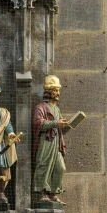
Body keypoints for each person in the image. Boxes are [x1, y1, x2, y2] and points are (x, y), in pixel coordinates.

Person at [32, 73, 69, 203]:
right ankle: (42, 193)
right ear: (48, 92)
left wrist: (65, 125)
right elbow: (38, 123)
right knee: (44, 165)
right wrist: (55, 123)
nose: (57, 93)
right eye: (55, 90)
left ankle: (53, 193)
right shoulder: (40, 107)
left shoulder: (56, 109)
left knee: (60, 168)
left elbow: (58, 124)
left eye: (58, 90)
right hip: (46, 141)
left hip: (56, 141)